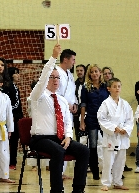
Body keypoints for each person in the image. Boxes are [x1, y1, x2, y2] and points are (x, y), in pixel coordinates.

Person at [29, 44, 89, 193]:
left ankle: (78, 189)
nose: (55, 80)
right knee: (58, 151)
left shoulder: (62, 100)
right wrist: (54, 57)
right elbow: (42, 79)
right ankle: (56, 190)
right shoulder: (38, 96)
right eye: (52, 77)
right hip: (40, 138)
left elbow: (67, 121)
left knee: (84, 151)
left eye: (57, 78)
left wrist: (68, 136)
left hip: (59, 137)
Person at [97, 78, 134, 191]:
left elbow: (130, 119)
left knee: (120, 161)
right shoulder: (105, 103)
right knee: (108, 161)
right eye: (114, 86)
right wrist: (114, 128)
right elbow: (101, 119)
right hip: (111, 136)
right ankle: (106, 183)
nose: (117, 89)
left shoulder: (125, 104)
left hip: (122, 136)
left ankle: (118, 182)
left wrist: (126, 129)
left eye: (119, 86)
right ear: (109, 89)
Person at [80, 64, 109, 180]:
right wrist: (82, 121)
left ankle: (109, 171)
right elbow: (83, 105)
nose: (94, 74)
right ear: (89, 74)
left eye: (96, 71)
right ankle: (95, 172)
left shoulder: (106, 87)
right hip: (91, 119)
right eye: (92, 72)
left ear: (100, 73)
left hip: (105, 120)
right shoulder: (85, 87)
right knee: (93, 146)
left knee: (108, 145)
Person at [56, 48, 77, 179]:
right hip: (59, 111)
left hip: (69, 112)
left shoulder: (69, 74)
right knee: (59, 140)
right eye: (73, 59)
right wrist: (66, 104)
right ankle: (57, 170)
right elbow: (55, 93)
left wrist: (74, 104)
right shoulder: (56, 72)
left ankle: (62, 172)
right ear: (65, 59)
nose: (74, 62)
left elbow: (72, 93)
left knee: (67, 139)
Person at [7, 67, 23, 170]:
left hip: (17, 117)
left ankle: (13, 161)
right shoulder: (9, 87)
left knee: (15, 140)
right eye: (16, 73)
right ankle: (10, 162)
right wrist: (10, 114)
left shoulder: (15, 87)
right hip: (12, 117)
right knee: (11, 140)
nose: (18, 75)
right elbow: (12, 104)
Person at [74, 64, 86, 142]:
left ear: (85, 71)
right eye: (77, 71)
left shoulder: (88, 84)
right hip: (77, 114)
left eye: (81, 70)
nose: (79, 72)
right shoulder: (74, 84)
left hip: (86, 113)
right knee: (78, 134)